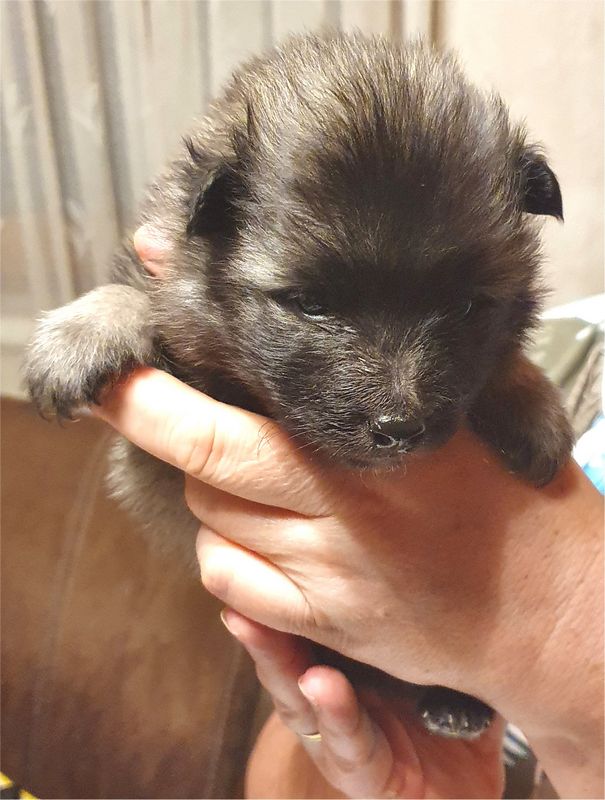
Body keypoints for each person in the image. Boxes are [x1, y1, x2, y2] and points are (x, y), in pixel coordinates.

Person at [94, 368, 603, 799]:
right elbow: (280, 777)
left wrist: (569, 615)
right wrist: (339, 755)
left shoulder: (513, 369)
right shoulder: (573, 348)